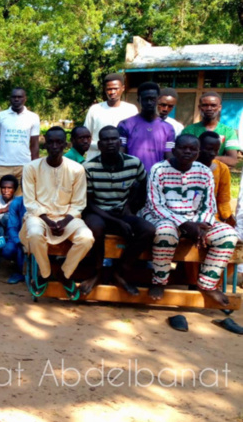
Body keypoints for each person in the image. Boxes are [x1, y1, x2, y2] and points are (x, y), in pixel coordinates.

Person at [140, 134, 238, 305]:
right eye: (183, 148)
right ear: (173, 149)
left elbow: (208, 206)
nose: (187, 152)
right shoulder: (159, 169)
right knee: (165, 233)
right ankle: (159, 281)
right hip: (163, 217)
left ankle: (207, 284)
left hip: (196, 220)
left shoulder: (204, 172)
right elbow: (156, 205)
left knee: (228, 235)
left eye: (192, 149)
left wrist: (201, 226)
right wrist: (184, 225)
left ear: (198, 152)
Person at [21, 126, 94, 300]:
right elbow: (30, 202)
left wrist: (64, 221)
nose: (54, 146)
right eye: (51, 142)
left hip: (68, 218)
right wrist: (47, 220)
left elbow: (78, 203)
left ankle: (63, 273)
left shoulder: (77, 169)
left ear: (65, 145)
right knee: (34, 233)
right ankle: (45, 274)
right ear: (45, 144)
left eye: (59, 142)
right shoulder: (31, 168)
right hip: (38, 217)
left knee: (86, 238)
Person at [80, 126, 154, 296]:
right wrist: (117, 221)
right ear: (99, 145)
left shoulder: (133, 163)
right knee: (96, 228)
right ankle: (97, 272)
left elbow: (144, 186)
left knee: (149, 230)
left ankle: (119, 271)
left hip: (122, 212)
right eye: (105, 139)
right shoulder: (89, 167)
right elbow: (88, 203)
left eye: (114, 139)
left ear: (120, 142)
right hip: (98, 211)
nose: (110, 143)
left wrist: (130, 207)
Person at [0, 87, 40, 193]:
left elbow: (34, 145)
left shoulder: (33, 117)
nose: (17, 99)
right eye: (14, 97)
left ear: (25, 99)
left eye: (20, 97)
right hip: (2, 166)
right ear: (10, 99)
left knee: (21, 202)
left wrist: (35, 169)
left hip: (24, 166)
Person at [116, 82, 175, 172]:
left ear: (158, 100)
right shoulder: (125, 125)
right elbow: (120, 154)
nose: (149, 103)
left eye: (152, 99)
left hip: (157, 178)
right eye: (145, 99)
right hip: (132, 177)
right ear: (138, 100)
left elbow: (169, 156)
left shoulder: (168, 128)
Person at [83, 73, 139, 159]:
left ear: (123, 88)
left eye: (116, 88)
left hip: (122, 160)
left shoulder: (131, 110)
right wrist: (103, 146)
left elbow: (135, 137)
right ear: (105, 90)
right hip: (96, 160)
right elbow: (85, 138)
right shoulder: (95, 109)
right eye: (109, 89)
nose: (112, 92)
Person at [184, 92, 239, 167]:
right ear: (199, 107)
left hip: (217, 175)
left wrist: (203, 158)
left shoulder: (228, 132)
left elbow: (233, 160)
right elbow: (183, 156)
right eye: (205, 105)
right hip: (192, 174)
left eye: (213, 105)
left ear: (219, 107)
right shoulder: (189, 130)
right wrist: (219, 159)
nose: (209, 109)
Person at [197, 131, 233, 224]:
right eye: (209, 149)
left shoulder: (222, 169)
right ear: (199, 147)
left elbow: (224, 198)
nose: (213, 153)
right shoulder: (187, 166)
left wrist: (227, 216)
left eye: (216, 150)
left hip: (212, 216)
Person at [1, 194, 27, 284]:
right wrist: (18, 241)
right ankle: (18, 271)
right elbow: (12, 227)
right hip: (19, 234)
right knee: (9, 250)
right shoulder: (16, 203)